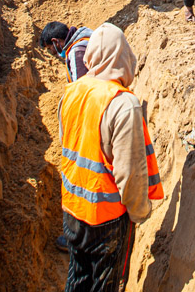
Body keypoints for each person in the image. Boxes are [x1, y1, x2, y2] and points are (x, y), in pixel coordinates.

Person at [57, 23, 164, 291]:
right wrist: (140, 212)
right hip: (107, 220)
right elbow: (130, 173)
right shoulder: (123, 104)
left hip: (72, 208)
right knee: (105, 285)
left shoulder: (72, 92)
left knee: (78, 276)